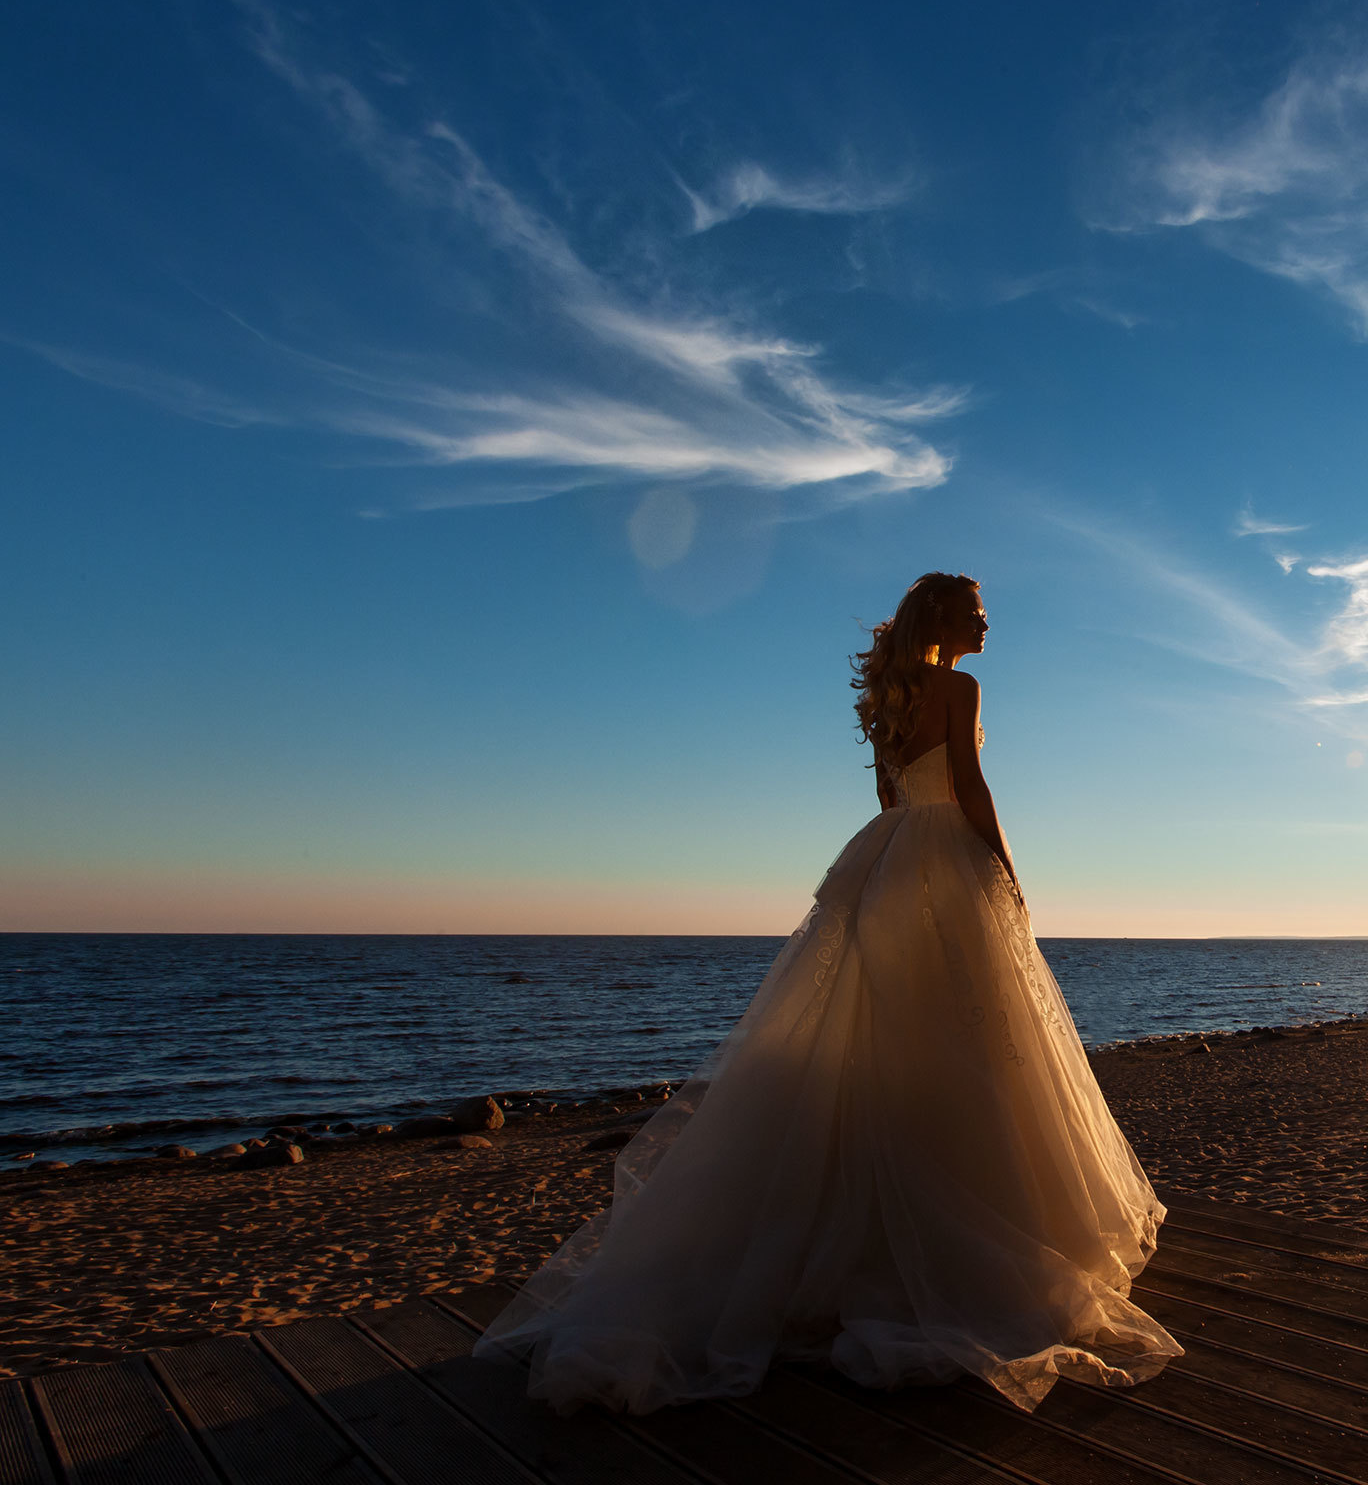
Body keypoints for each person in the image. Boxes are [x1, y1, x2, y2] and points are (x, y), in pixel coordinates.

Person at [476, 572, 1181, 1413]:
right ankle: (954, 1243)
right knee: (963, 1042)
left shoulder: (891, 696)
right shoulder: (959, 686)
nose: (989, 626)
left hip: (882, 866)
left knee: (891, 1041)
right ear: (946, 620)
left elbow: (889, 795)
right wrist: (1005, 870)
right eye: (979, 614)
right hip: (944, 863)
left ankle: (873, 1233)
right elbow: (970, 785)